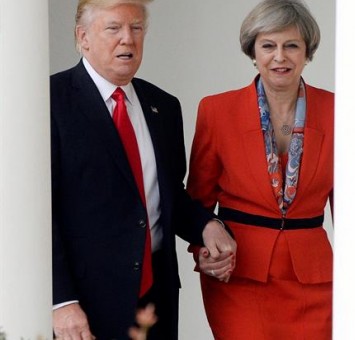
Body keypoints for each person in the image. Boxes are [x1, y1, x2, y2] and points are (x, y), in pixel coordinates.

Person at [50, 0, 236, 339]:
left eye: (136, 28)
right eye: (114, 28)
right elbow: (37, 213)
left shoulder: (163, 106)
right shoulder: (50, 100)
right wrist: (61, 302)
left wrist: (207, 225)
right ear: (83, 37)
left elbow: (169, 197)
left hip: (156, 300)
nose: (128, 39)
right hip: (85, 307)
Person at [186, 0, 334, 338]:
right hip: (239, 278)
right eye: (268, 46)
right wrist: (204, 252)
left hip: (315, 283)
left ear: (307, 52)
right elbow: (197, 202)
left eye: (291, 45)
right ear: (253, 51)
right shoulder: (216, 111)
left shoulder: (338, 110)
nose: (279, 56)